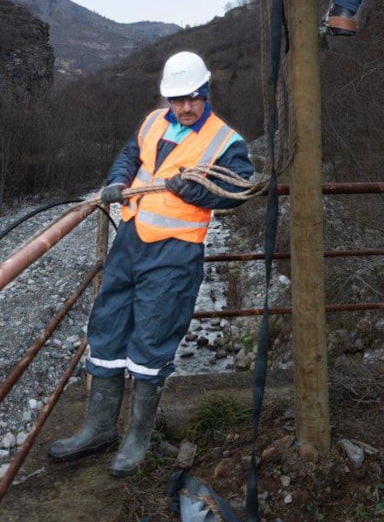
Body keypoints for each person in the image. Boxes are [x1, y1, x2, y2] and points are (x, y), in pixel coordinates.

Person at [48, 51, 254, 477]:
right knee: (106, 326)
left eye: (193, 98)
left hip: (175, 253)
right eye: (177, 99)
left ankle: (137, 437)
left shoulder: (225, 141)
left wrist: (193, 191)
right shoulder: (152, 122)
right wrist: (117, 182)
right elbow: (130, 155)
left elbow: (239, 190)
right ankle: (100, 428)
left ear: (206, 92)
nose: (185, 107)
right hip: (131, 239)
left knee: (152, 337)